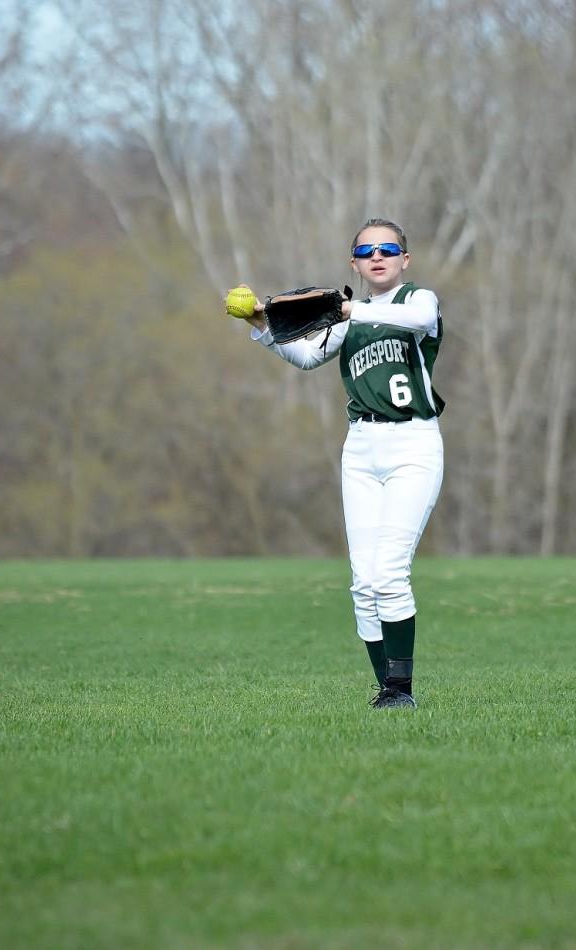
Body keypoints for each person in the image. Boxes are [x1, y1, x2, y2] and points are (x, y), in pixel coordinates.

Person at [234, 218, 444, 709]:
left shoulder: (419, 300)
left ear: (404, 260)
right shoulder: (346, 319)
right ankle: (388, 689)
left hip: (413, 445)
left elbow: (415, 324)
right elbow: (307, 357)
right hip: (361, 448)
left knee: (390, 572)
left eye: (389, 248)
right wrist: (262, 327)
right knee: (363, 580)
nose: (378, 256)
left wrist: (352, 310)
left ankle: (402, 690)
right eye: (367, 251)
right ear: (354, 263)